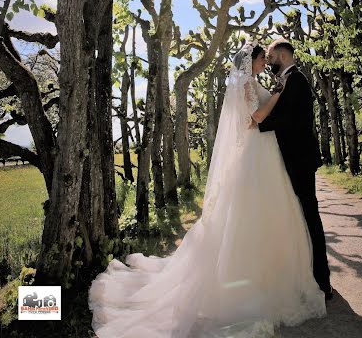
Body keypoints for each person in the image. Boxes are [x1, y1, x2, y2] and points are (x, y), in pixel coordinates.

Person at [88, 42, 326, 338]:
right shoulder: (250, 85)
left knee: (268, 216)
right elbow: (259, 118)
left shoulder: (253, 82)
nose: (267, 60)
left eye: (269, 56)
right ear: (250, 62)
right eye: (263, 57)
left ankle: (279, 275)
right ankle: (253, 282)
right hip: (256, 155)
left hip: (263, 153)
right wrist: (277, 93)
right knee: (254, 216)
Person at [258, 38, 332, 300]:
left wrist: (260, 125)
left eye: (270, 56)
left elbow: (292, 120)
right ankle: (307, 272)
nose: (268, 61)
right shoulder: (288, 81)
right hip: (290, 158)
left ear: (282, 54)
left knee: (310, 216)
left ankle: (323, 282)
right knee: (298, 216)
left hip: (299, 159)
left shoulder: (297, 80)